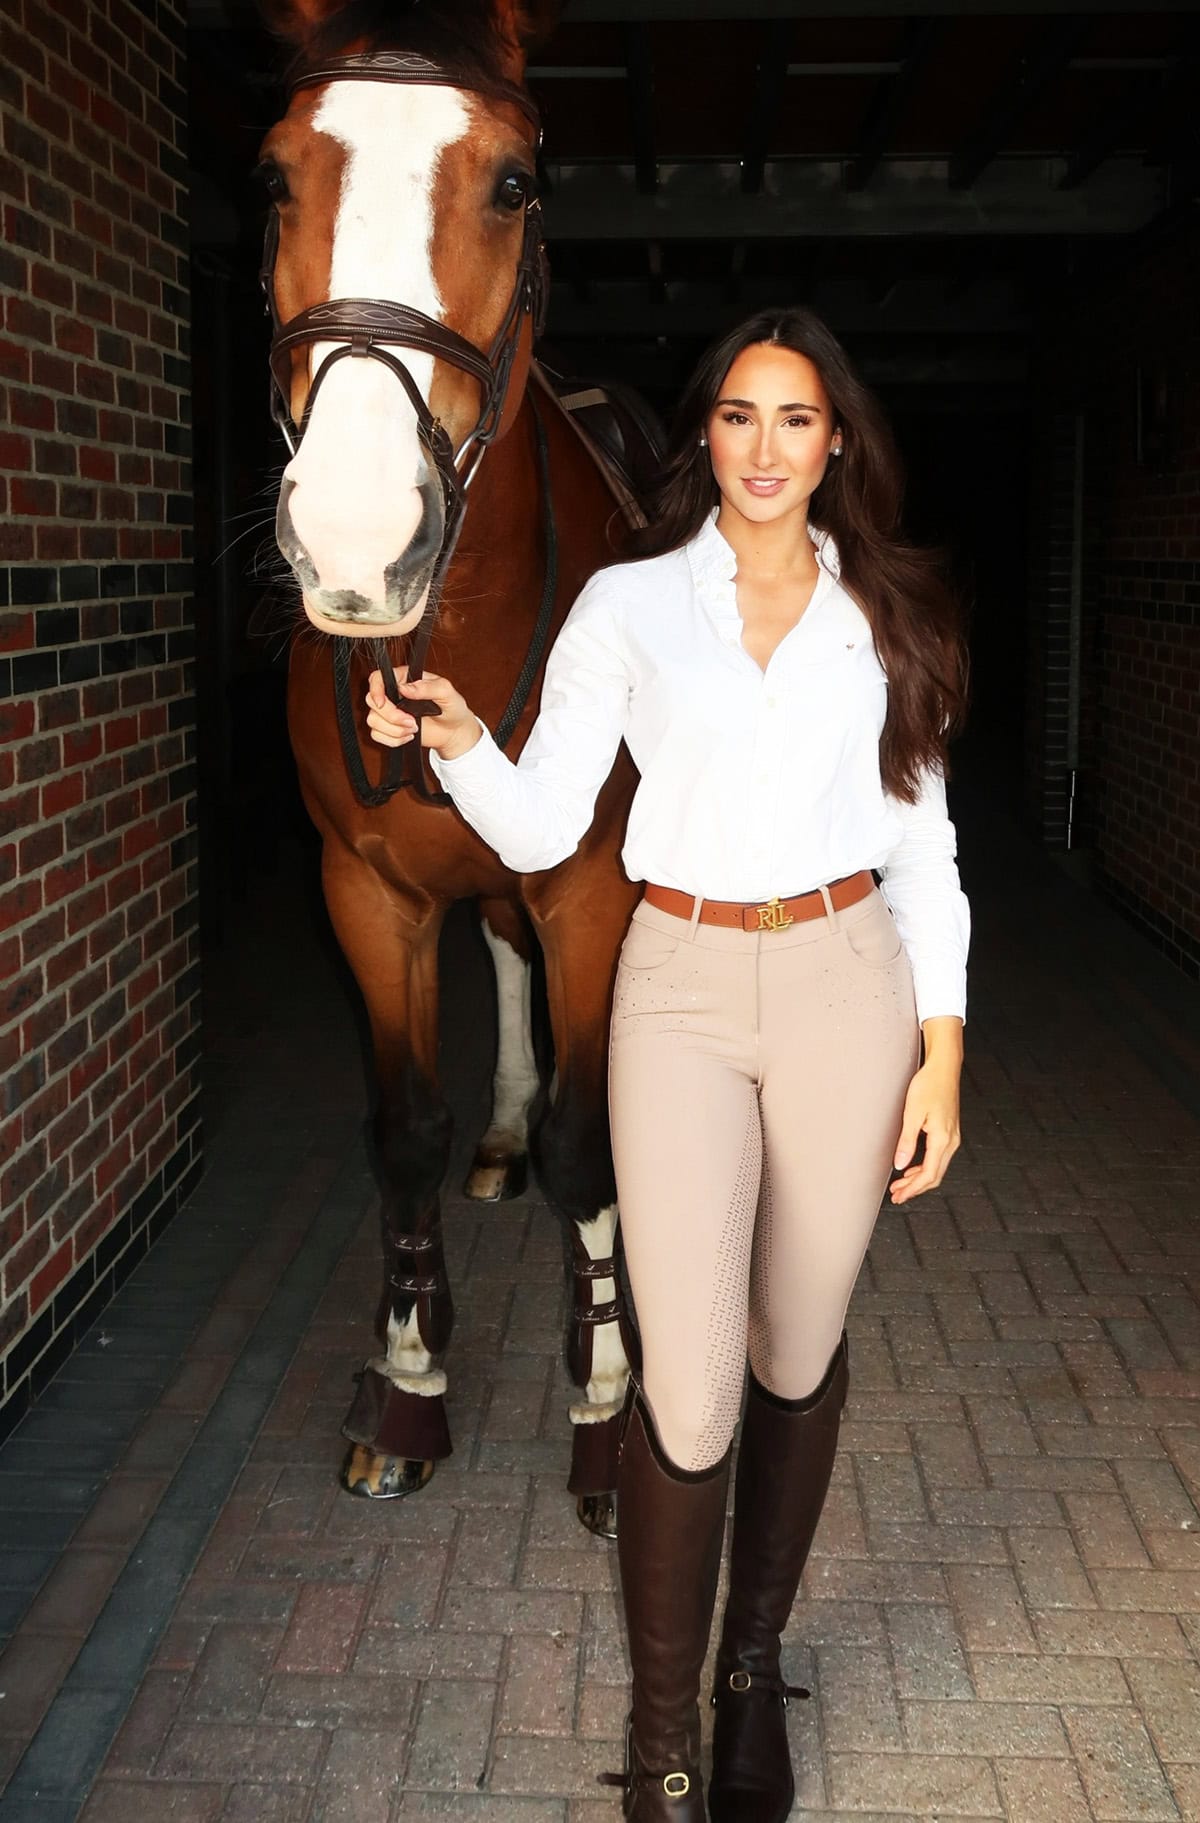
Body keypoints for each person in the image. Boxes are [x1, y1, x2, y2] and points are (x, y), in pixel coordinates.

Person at [365, 308, 969, 1823]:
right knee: (688, 1395)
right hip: (682, 990)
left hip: (848, 987)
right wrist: (454, 739)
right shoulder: (629, 609)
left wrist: (942, 1051)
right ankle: (661, 1735)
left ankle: (750, 1668)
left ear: (837, 445)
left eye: (798, 421)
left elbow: (928, 852)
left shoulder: (886, 618)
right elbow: (546, 826)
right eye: (741, 418)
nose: (767, 450)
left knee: (798, 1352)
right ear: (706, 435)